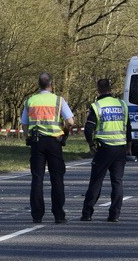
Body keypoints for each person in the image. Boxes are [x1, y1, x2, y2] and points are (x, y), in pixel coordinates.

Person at [20, 72, 74, 224]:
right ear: (51, 84)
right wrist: (64, 133)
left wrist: (27, 137)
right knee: (57, 178)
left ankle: (37, 215)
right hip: (54, 142)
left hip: (37, 142)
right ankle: (58, 214)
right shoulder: (58, 100)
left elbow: (24, 123)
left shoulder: (30, 100)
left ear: (38, 84)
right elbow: (70, 121)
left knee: (37, 178)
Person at [80, 79, 132, 223]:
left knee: (96, 181)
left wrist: (91, 144)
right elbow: (128, 128)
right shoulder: (122, 105)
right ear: (111, 89)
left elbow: (89, 128)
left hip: (103, 149)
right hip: (120, 148)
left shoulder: (97, 106)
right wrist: (129, 147)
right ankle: (114, 215)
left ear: (98, 89)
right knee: (117, 181)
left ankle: (87, 213)